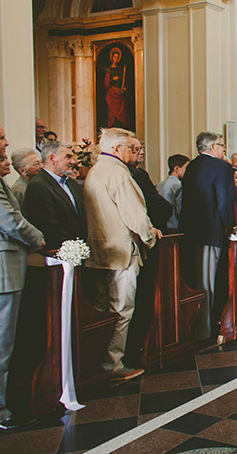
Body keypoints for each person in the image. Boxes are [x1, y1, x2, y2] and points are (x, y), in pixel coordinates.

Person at [0, 116, 44, 433]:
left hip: (0, 268)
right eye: (2, 137)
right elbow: (8, 219)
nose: (6, 143)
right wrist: (38, 238)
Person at [84, 127, 159, 382]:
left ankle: (94, 361)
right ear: (116, 149)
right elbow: (134, 214)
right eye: (130, 147)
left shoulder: (95, 170)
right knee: (122, 309)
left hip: (100, 250)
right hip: (121, 252)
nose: (134, 152)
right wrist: (149, 237)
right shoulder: (118, 173)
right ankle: (112, 364)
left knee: (102, 308)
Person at [181, 132, 236, 342]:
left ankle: (195, 325)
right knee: (208, 282)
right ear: (213, 147)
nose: (223, 149)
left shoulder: (192, 166)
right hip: (211, 230)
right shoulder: (222, 167)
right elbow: (223, 200)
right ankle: (204, 330)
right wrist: (228, 225)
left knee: (196, 279)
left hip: (191, 230)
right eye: (221, 145)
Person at [22, 140, 86, 250]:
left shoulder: (72, 183)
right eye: (68, 157)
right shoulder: (38, 185)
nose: (73, 161)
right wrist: (70, 247)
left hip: (78, 248)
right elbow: (46, 224)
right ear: (52, 159)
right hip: (56, 250)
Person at [127, 139, 173, 233]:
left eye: (142, 148)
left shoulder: (141, 172)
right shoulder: (137, 174)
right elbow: (152, 200)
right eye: (137, 149)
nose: (142, 152)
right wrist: (167, 209)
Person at [156, 154, 190, 230]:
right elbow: (180, 210)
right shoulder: (178, 185)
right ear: (177, 169)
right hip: (174, 225)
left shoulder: (159, 185)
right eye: (186, 168)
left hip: (161, 226)